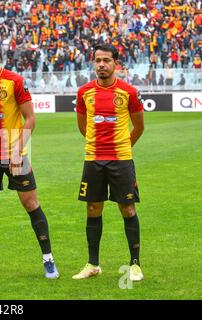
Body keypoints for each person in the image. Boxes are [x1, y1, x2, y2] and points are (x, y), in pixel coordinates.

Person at [0, 34, 59, 279]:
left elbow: (30, 118)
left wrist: (17, 150)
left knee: (31, 204)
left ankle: (48, 260)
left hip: (16, 156)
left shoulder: (15, 81)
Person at [74, 44, 145, 282]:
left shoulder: (128, 92)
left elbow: (139, 127)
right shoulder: (84, 92)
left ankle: (135, 265)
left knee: (127, 209)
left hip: (121, 160)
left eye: (106, 60)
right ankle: (93, 264)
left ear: (116, 63)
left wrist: (121, 148)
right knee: (93, 208)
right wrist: (98, 145)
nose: (101, 65)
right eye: (97, 60)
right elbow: (83, 126)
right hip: (93, 159)